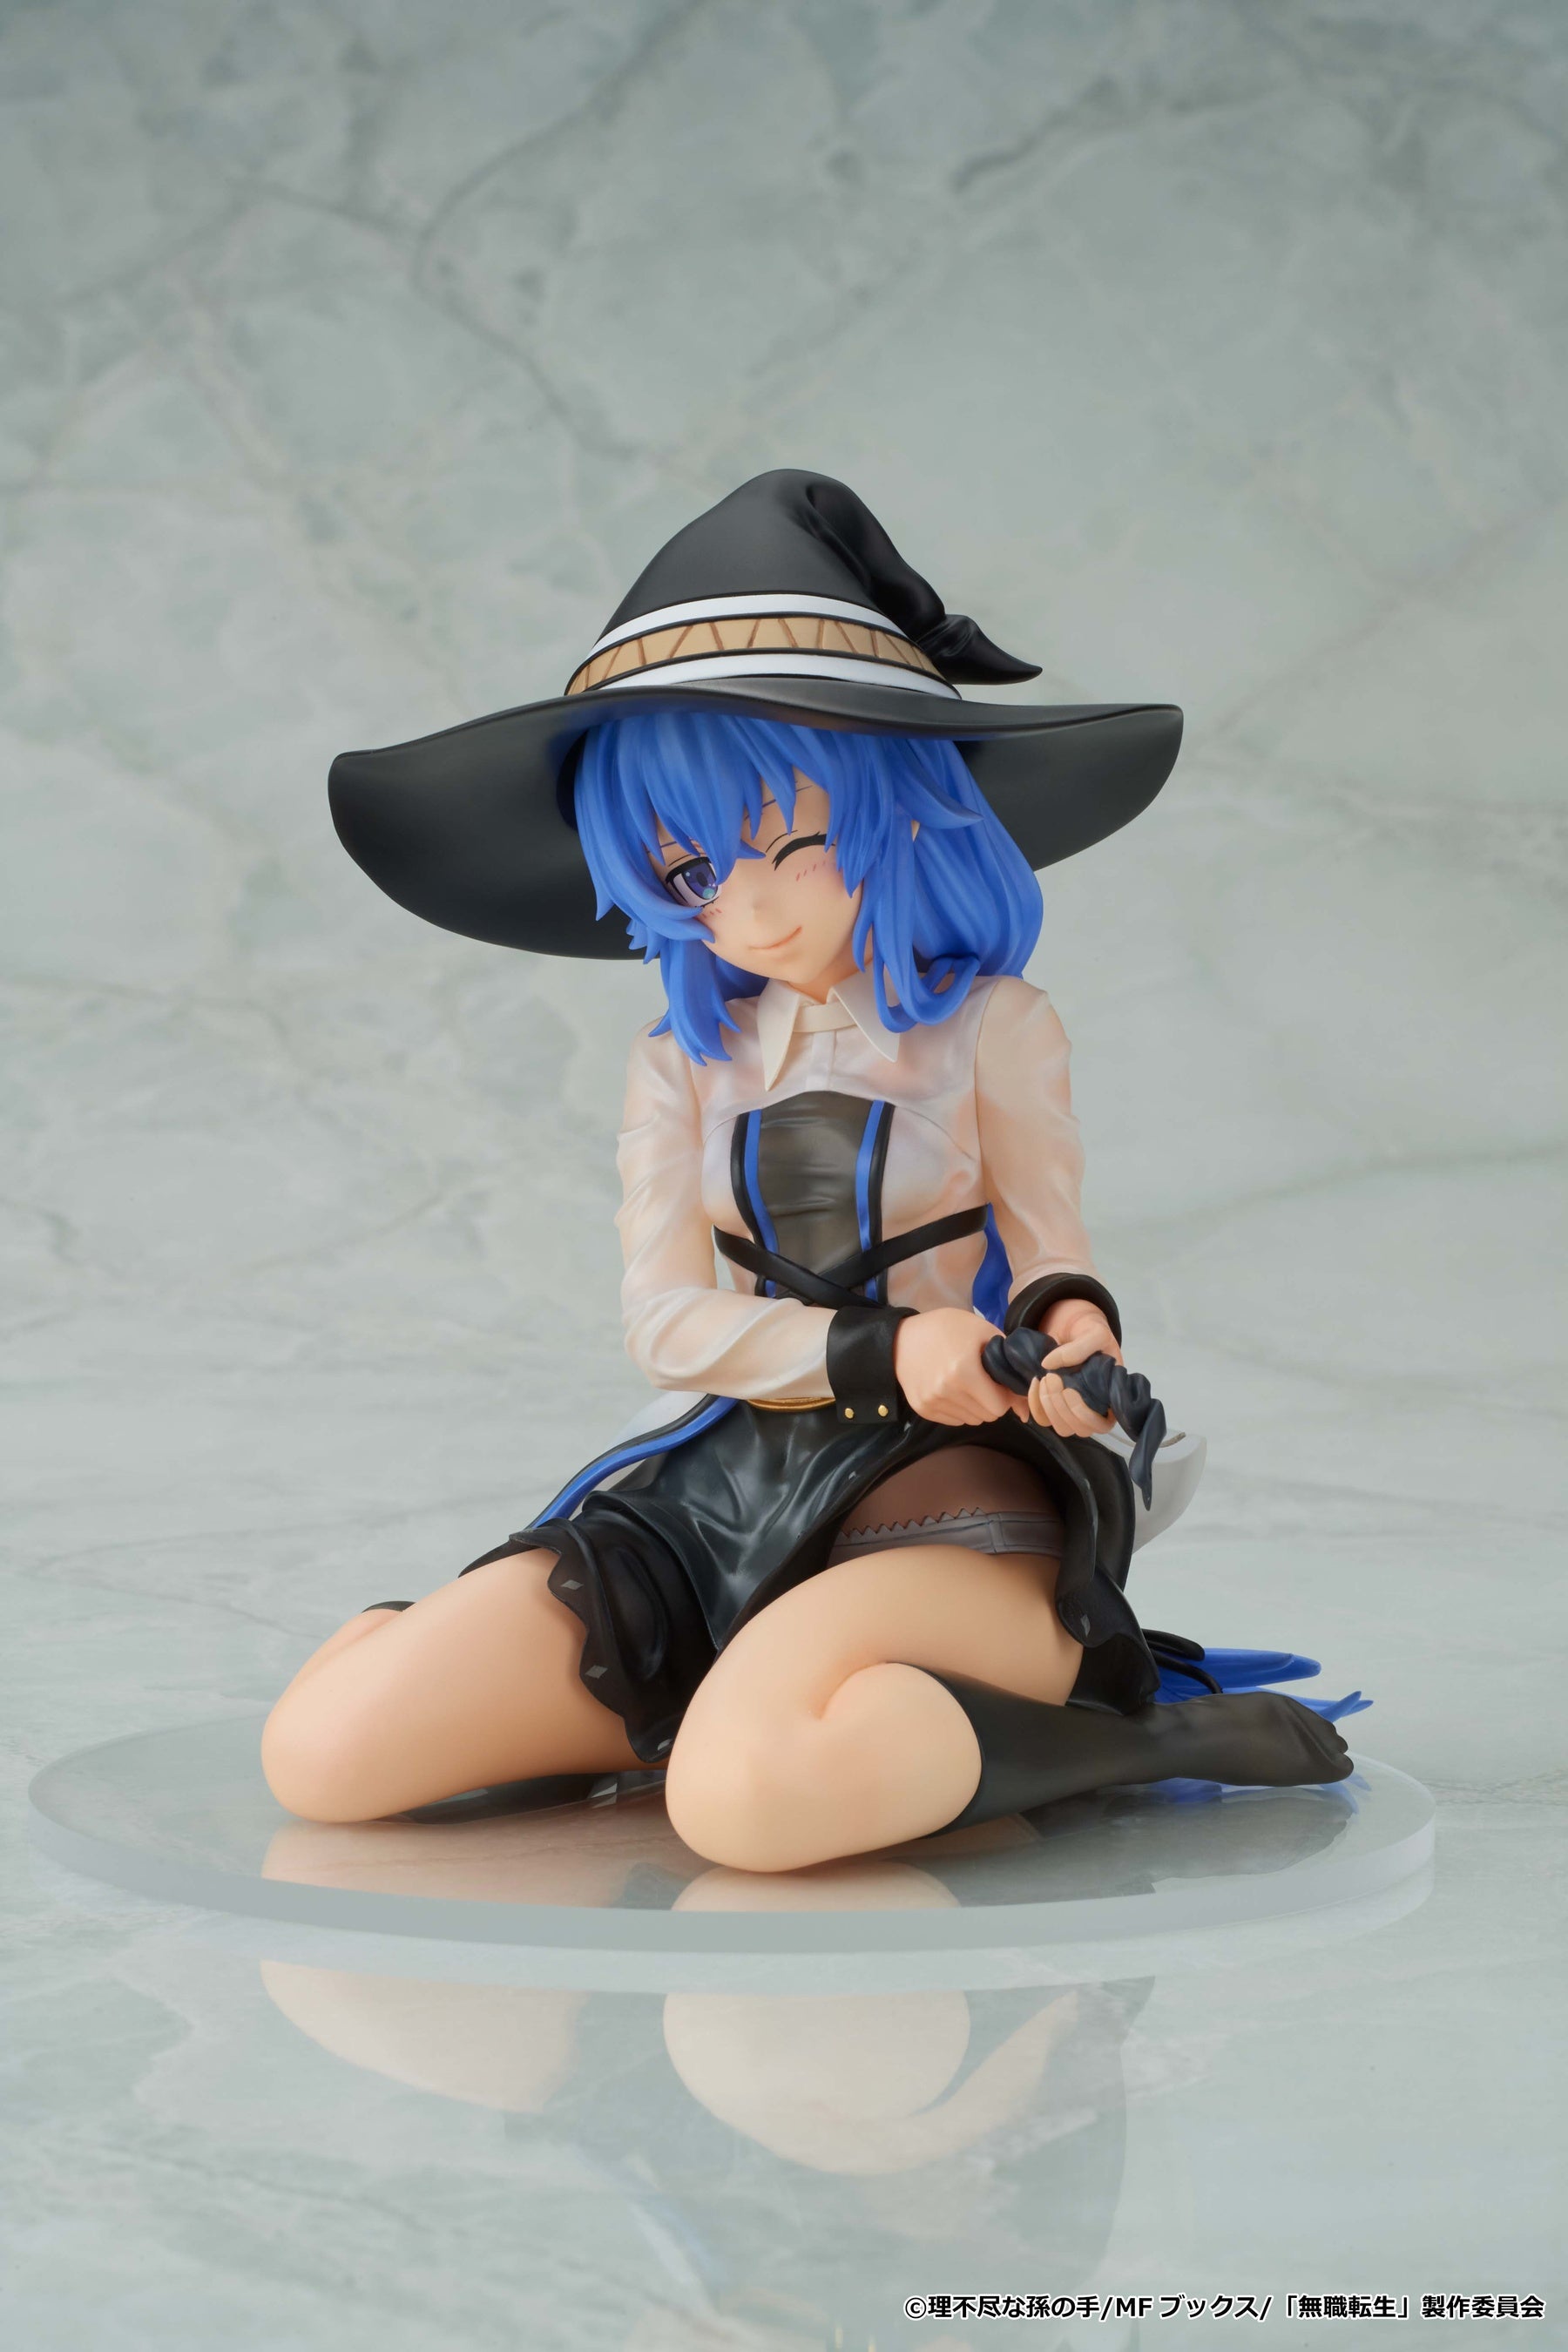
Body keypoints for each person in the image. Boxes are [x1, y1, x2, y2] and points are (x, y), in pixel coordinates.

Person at [261, 470, 1352, 1866]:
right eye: (693, 871)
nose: (751, 907)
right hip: (724, 1483)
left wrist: (1073, 1342)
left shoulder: (994, 1028)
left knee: (747, 1802)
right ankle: (731, 1701)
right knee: (326, 1758)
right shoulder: (681, 1062)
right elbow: (666, 1321)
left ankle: (1136, 1737)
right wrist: (879, 1351)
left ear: (904, 812)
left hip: (954, 1486)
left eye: (794, 841)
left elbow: (1052, 1252)